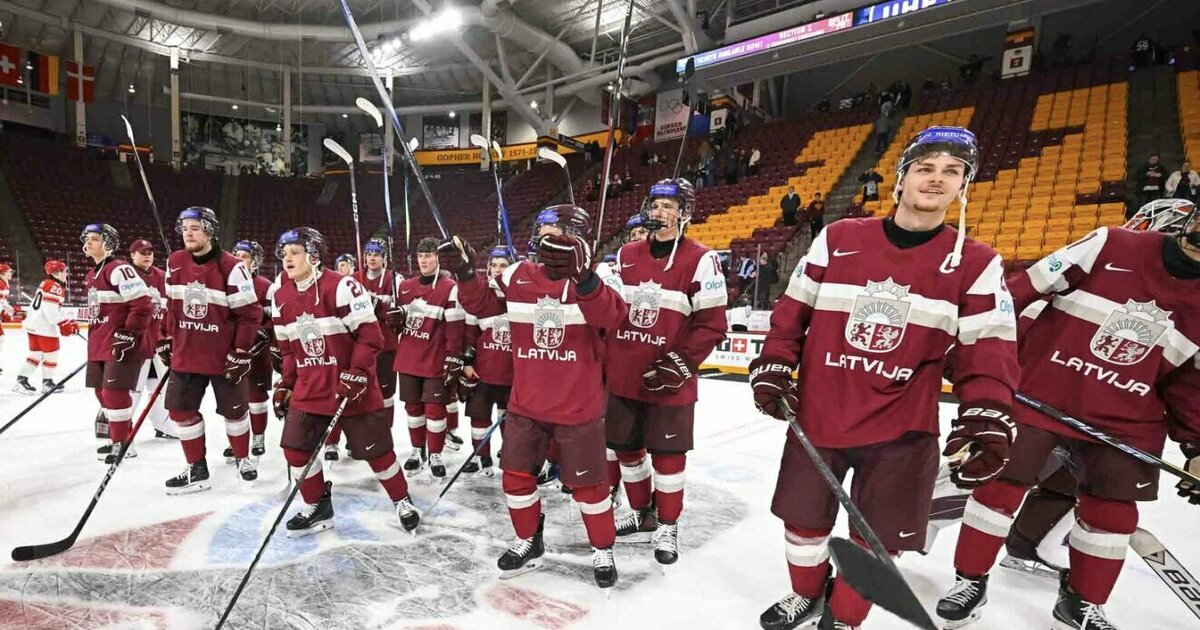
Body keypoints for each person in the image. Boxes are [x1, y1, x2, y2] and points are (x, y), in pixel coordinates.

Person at [749, 126, 1019, 630]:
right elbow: (791, 314)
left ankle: (845, 619)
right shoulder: (840, 237)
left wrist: (987, 410)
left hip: (903, 431)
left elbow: (988, 350)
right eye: (926, 168)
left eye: (952, 172)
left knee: (877, 540)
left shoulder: (978, 263)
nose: (937, 180)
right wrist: (774, 362)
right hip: (820, 414)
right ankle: (805, 595)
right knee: (802, 525)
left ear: (964, 187)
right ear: (901, 178)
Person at [936, 196, 1200, 630]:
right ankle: (971, 581)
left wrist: (1195, 444)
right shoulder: (1110, 244)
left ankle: (1080, 603)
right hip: (1044, 391)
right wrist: (974, 343)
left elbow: (1190, 384)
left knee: (1113, 516)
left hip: (1128, 419)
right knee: (999, 485)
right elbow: (1019, 291)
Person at [439, 204, 628, 589]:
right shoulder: (518, 273)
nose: (541, 236)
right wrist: (464, 273)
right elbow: (483, 306)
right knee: (515, 478)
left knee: (590, 487)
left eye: (550, 230)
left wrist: (584, 277)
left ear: (574, 236)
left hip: (579, 406)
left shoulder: (601, 276)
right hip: (526, 403)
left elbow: (613, 318)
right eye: (540, 229)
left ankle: (602, 547)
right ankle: (529, 541)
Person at [607, 178, 728, 565]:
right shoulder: (625, 253)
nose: (658, 212)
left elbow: (712, 323)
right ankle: (642, 514)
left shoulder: (702, 258)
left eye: (667, 206)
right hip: (624, 376)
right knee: (626, 450)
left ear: (685, 214)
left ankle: (667, 524)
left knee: (668, 455)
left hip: (670, 379)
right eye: (654, 204)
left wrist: (680, 363)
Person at [270, 227, 421, 537]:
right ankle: (317, 506)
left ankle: (401, 499)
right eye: (284, 254)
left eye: (294, 252)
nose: (288, 258)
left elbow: (371, 336)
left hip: (352, 389)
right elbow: (288, 349)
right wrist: (286, 383)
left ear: (313, 255)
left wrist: (359, 372)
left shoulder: (341, 287)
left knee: (377, 452)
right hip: (309, 389)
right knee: (296, 450)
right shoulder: (280, 297)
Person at [158, 207, 264, 493]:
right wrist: (166, 337)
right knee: (180, 412)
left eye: (195, 227)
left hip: (224, 357)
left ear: (210, 231)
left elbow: (250, 315)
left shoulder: (232, 266)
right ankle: (196, 467)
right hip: (186, 353)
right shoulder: (175, 261)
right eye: (185, 228)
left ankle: (243, 458)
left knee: (235, 412)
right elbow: (172, 305)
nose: (188, 233)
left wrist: (241, 351)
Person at [384, 237, 464, 479]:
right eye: (421, 256)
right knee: (413, 409)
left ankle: (435, 453)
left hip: (435, 361)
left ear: (438, 258)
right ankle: (417, 449)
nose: (424, 260)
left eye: (429, 255)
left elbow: (454, 327)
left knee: (435, 410)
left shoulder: (450, 286)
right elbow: (399, 326)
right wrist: (394, 321)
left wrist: (453, 356)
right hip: (408, 358)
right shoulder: (406, 286)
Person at [321, 236, 403, 462]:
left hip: (385, 347)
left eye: (376, 254)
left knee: (384, 397)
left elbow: (398, 315)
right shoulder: (352, 280)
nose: (371, 258)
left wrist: (381, 305)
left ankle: (382, 435)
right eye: (368, 254)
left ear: (384, 258)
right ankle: (334, 442)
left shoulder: (394, 279)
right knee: (346, 391)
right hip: (354, 347)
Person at [81, 224, 153, 464]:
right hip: (98, 343)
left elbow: (143, 303)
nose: (88, 242)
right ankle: (122, 437)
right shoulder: (91, 274)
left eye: (94, 239)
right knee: (102, 393)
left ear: (108, 243)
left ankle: (122, 443)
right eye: (87, 239)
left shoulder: (119, 269)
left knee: (114, 393)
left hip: (119, 343)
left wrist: (129, 333)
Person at [457, 246, 515, 477]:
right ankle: (481, 457)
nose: (498, 270)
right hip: (483, 370)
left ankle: (510, 454)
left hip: (511, 372)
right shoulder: (480, 295)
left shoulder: (520, 296)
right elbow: (469, 333)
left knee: (508, 417)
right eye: (494, 265)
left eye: (504, 266)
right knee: (479, 416)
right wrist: (468, 362)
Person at [226, 240, 273, 460]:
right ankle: (237, 440)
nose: (239, 260)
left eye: (244, 256)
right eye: (236, 255)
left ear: (255, 262)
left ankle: (258, 437)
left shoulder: (266, 286)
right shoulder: (225, 281)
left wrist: (266, 333)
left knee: (256, 395)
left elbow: (277, 318)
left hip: (257, 352)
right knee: (233, 397)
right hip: (232, 349)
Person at [128, 239, 176, 440]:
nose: (147, 255)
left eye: (150, 252)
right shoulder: (127, 276)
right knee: (133, 388)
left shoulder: (162, 277)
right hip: (136, 344)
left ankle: (163, 424)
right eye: (142, 252)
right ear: (132, 255)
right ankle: (121, 428)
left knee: (160, 386)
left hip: (159, 343)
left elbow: (171, 306)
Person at [14, 260, 77, 395]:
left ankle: (21, 381)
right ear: (56, 272)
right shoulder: (55, 286)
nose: (66, 273)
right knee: (52, 354)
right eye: (64, 271)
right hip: (44, 327)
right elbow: (50, 310)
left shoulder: (46, 283)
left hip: (33, 325)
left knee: (36, 354)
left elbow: (52, 307)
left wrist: (66, 320)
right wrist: (63, 323)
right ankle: (47, 383)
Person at [0, 263, 13, 374]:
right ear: (3, 273)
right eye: (10, 271)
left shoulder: (5, 284)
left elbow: (2, 301)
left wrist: (8, 309)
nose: (11, 273)